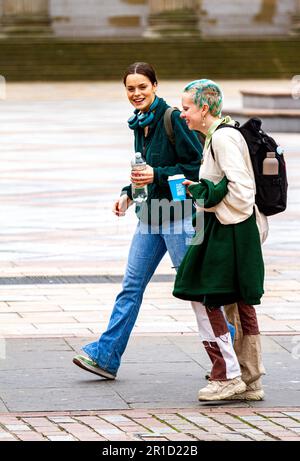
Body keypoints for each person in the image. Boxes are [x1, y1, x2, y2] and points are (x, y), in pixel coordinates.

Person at [73, 62, 202, 379]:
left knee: (196, 290)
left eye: (142, 86)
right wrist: (127, 194)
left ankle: (231, 355)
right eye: (130, 88)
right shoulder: (138, 123)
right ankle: (106, 356)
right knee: (130, 288)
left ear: (155, 86)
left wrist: (155, 175)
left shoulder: (173, 119)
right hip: (150, 217)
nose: (136, 93)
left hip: (178, 217)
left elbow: (197, 168)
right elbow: (143, 172)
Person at [173, 79, 267, 401]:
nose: (183, 114)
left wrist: (206, 197)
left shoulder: (223, 139)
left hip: (227, 230)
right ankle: (249, 378)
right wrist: (202, 189)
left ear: (204, 108)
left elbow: (242, 192)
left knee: (204, 295)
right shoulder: (222, 135)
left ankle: (226, 375)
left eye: (186, 108)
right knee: (239, 301)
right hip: (232, 229)